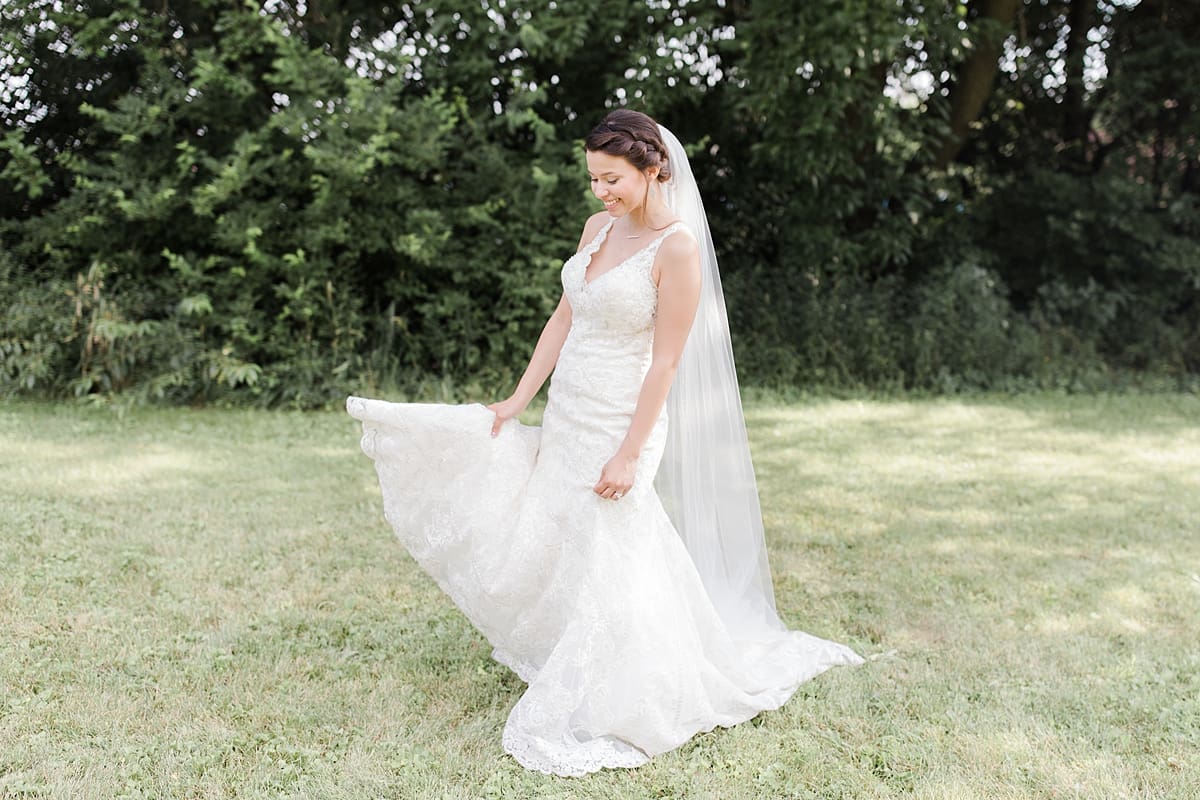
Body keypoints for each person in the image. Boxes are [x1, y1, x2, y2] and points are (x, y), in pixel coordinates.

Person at [346, 109, 863, 777]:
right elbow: (565, 316)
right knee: (564, 531)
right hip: (570, 413)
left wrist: (628, 451)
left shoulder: (675, 248)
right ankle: (574, 650)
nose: (601, 192)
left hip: (624, 420)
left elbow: (666, 364)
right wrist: (519, 398)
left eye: (612, 178)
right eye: (593, 178)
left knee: (614, 542)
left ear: (654, 170)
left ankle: (633, 684)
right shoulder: (598, 229)